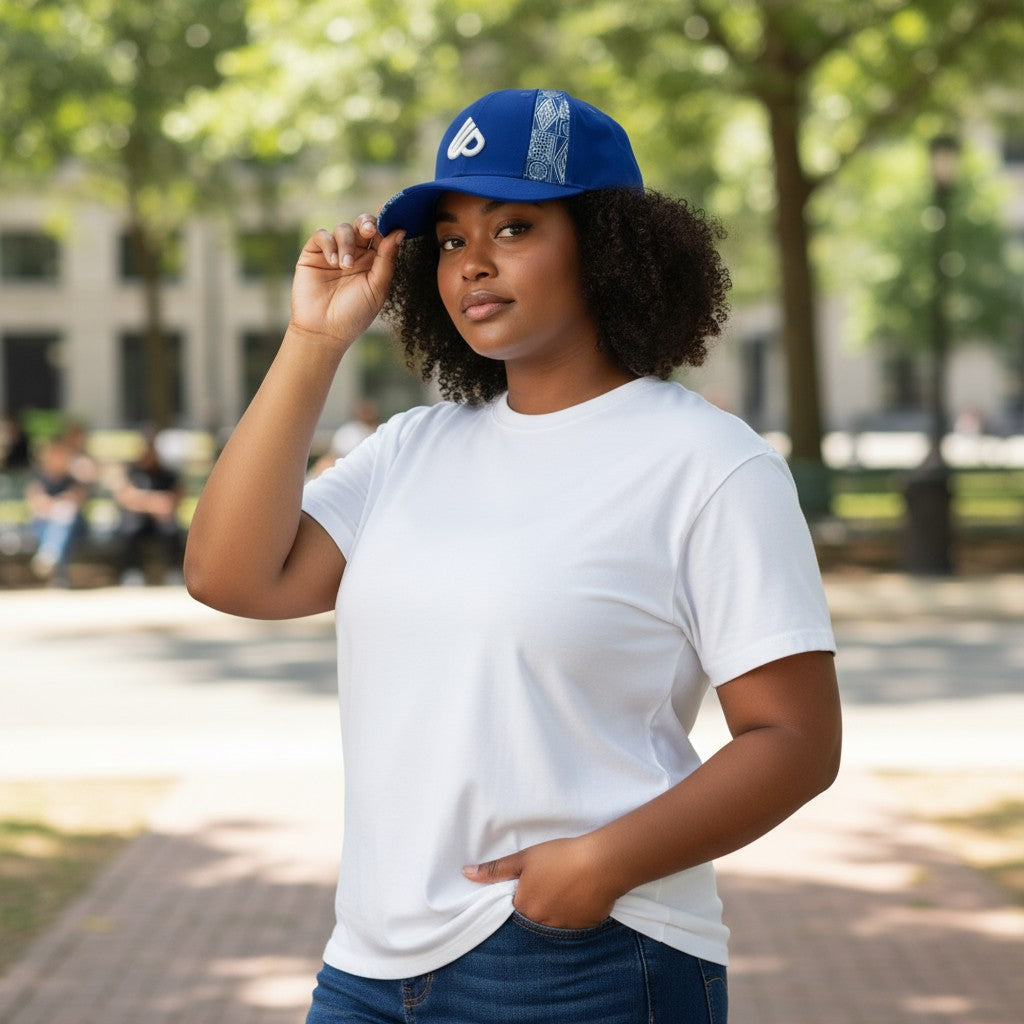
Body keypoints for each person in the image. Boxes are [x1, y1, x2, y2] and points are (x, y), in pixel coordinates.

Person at [185, 88, 841, 1023]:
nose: (472, 265)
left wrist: (592, 869)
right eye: (451, 239)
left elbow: (795, 740)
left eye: (515, 227)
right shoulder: (411, 448)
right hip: (368, 967)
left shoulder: (706, 463)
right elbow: (229, 575)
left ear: (610, 247)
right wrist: (313, 340)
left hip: (585, 960)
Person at [114, 431, 184, 583]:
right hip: (138, 520)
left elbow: (174, 499)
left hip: (160, 522)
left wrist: (141, 500)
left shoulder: (167, 474)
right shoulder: (132, 472)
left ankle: (174, 571)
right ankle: (132, 573)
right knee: (129, 529)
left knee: (172, 530)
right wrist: (155, 503)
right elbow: (125, 497)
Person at [25, 436, 88, 583]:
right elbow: (35, 503)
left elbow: (77, 501)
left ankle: (49, 554)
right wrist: (58, 505)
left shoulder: (73, 477)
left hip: (74, 525)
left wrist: (54, 505)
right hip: (44, 524)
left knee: (64, 520)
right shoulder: (38, 477)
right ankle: (58, 571)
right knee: (61, 522)